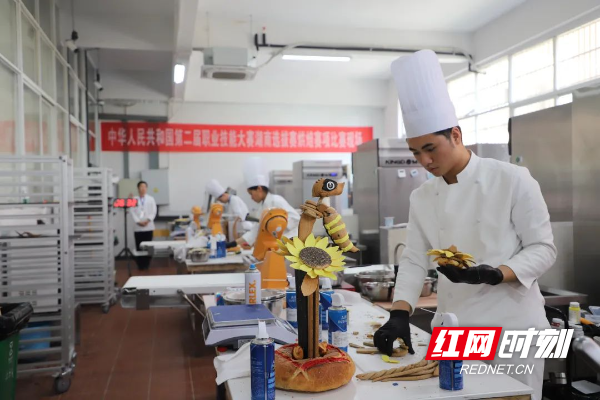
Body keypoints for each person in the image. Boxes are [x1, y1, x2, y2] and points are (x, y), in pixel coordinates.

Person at [373, 50, 556, 400]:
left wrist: (493, 273)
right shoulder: (423, 197)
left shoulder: (512, 179)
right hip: (455, 323)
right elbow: (413, 260)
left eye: (430, 149)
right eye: (415, 153)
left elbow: (543, 248)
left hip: (510, 325)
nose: (424, 161)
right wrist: (399, 312)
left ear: (456, 135)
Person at [234, 157, 300, 248]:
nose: (251, 197)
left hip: (291, 243)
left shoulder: (276, 200)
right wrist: (232, 244)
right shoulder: (263, 207)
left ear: (259, 189)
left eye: (251, 193)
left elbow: (296, 218)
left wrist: (278, 225)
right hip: (277, 245)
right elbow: (255, 231)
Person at [130, 180, 157, 270]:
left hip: (148, 226)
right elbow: (132, 211)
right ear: (138, 188)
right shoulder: (134, 199)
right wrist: (138, 221)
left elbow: (153, 211)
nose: (143, 189)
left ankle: (147, 264)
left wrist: (148, 220)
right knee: (139, 246)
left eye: (144, 187)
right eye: (141, 187)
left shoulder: (151, 199)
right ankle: (140, 265)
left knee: (148, 246)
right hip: (138, 227)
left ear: (146, 188)